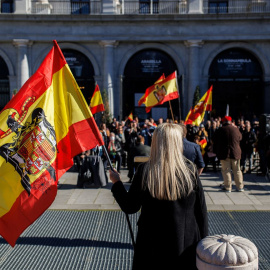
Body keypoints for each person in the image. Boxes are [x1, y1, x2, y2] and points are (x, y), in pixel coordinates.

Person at [109, 123, 208, 270]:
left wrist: (117, 183)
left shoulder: (146, 171)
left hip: (151, 245)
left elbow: (130, 206)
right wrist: (205, 244)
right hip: (185, 244)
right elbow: (201, 211)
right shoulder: (190, 171)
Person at [213, 116, 244, 192]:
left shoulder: (220, 130)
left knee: (226, 170)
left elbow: (214, 139)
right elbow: (240, 138)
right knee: (237, 170)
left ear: (223, 122)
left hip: (224, 153)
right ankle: (240, 187)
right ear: (231, 122)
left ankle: (228, 187)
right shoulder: (236, 129)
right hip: (235, 153)